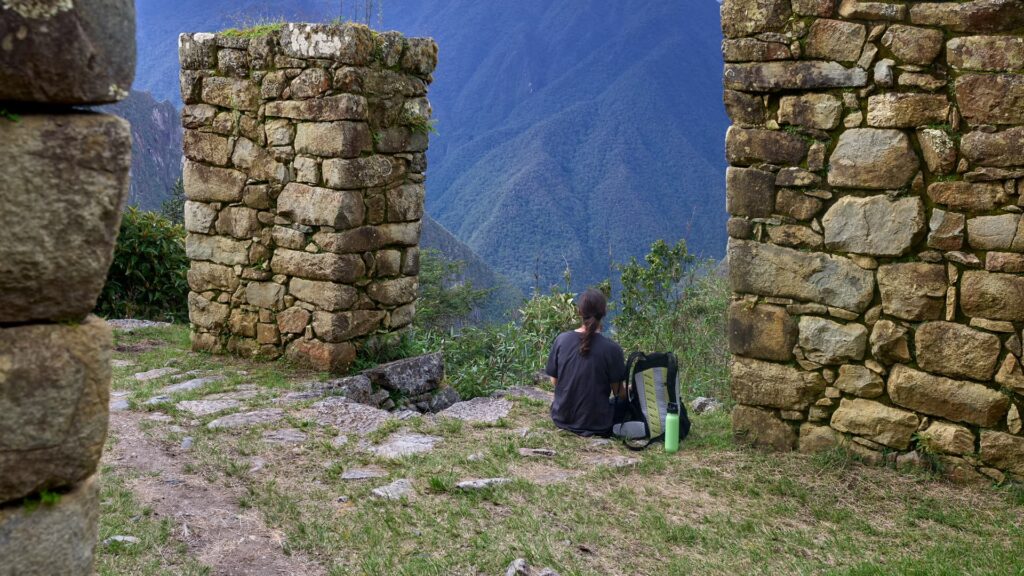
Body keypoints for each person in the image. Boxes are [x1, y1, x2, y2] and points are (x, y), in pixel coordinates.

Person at [544, 288, 627, 436]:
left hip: (562, 418)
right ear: (604, 313)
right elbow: (618, 393)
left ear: (579, 312)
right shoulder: (612, 349)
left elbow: (555, 381)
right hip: (598, 423)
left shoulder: (561, 340)